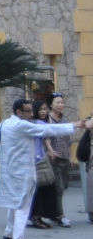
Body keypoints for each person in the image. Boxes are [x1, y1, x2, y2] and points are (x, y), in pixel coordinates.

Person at [0, 98, 90, 239]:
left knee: (14, 202)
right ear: (18, 112)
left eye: (31, 110)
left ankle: (9, 232)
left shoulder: (5, 124)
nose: (31, 114)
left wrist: (1, 157)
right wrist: (77, 124)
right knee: (23, 204)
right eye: (27, 111)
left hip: (9, 169)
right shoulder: (21, 125)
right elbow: (48, 130)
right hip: (23, 171)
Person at [28, 100, 57, 229]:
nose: (43, 112)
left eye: (45, 109)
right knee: (41, 190)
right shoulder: (37, 124)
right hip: (37, 161)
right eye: (40, 109)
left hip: (39, 159)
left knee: (40, 190)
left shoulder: (36, 123)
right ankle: (36, 217)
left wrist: (50, 151)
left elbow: (45, 140)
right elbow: (50, 133)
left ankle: (36, 217)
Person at [46, 92, 73, 227]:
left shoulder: (65, 119)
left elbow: (69, 138)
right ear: (51, 104)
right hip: (53, 158)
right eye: (58, 102)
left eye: (62, 102)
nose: (61, 104)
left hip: (65, 157)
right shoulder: (48, 119)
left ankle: (53, 213)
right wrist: (50, 151)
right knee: (59, 188)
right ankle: (60, 215)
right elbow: (46, 138)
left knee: (64, 186)